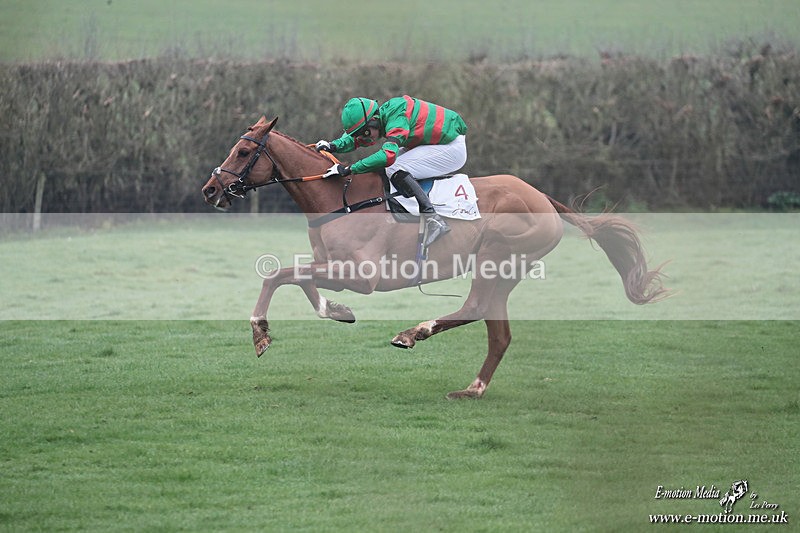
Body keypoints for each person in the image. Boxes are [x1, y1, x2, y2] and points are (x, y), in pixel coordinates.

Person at [315, 95, 468, 246]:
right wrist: (332, 145)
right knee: (388, 168)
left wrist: (350, 169)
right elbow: (355, 139)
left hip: (451, 147)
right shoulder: (382, 116)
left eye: (364, 133)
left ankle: (433, 219)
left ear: (374, 120)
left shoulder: (396, 116)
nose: (362, 138)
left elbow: (388, 156)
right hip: (435, 143)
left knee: (393, 166)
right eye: (358, 134)